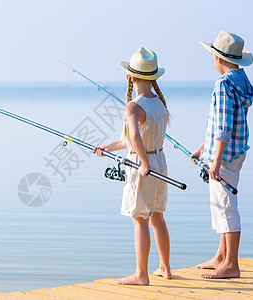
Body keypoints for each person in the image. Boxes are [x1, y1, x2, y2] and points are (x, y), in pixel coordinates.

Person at [93, 47, 171, 285]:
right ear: (154, 77)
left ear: (129, 76)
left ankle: (141, 274)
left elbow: (135, 138)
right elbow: (132, 139)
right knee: (157, 216)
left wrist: (144, 163)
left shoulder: (133, 107)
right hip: (160, 161)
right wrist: (108, 146)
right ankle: (165, 268)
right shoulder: (159, 103)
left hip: (143, 165)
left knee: (140, 219)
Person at [191, 31, 253, 279]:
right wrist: (203, 148)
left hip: (225, 156)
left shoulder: (223, 84)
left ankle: (231, 264)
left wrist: (215, 160)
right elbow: (224, 123)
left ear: (218, 59)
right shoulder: (242, 80)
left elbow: (224, 126)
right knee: (221, 204)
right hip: (237, 151)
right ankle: (220, 256)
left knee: (226, 207)